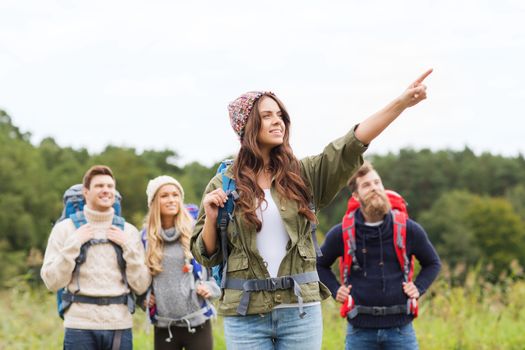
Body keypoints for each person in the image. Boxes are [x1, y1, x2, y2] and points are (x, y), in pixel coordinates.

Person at [191, 69, 433, 349]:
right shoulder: (223, 183)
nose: (277, 121)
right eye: (267, 115)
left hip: (300, 312)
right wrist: (210, 218)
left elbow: (350, 145)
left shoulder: (304, 175)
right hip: (245, 315)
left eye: (280, 115)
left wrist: (401, 103)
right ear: (246, 125)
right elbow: (205, 256)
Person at [316, 161, 441, 350]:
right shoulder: (342, 232)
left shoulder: (408, 228)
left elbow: (433, 263)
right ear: (356, 196)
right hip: (359, 331)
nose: (374, 188)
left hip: (401, 330)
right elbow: (319, 265)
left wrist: (419, 287)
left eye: (377, 182)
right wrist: (335, 290)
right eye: (367, 185)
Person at [40, 165, 151, 350]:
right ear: (86, 192)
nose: (106, 190)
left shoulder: (129, 232)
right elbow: (52, 281)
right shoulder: (65, 229)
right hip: (79, 326)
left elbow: (141, 285)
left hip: (119, 325)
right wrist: (74, 244)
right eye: (99, 186)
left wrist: (128, 248)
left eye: (110, 186)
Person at [141, 175, 220, 350]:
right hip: (164, 326)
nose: (171, 200)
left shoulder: (196, 232)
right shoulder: (145, 239)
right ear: (154, 202)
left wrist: (211, 288)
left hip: (198, 322)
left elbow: (216, 267)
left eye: (175, 195)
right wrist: (142, 298)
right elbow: (135, 276)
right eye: (164, 195)